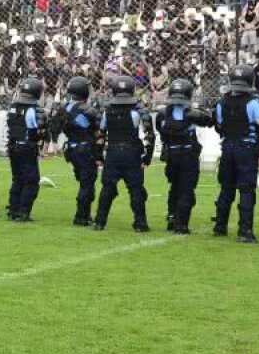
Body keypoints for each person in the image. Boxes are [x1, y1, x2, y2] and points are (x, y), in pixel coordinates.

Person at [213, 64, 259, 243]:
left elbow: (218, 126)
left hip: (228, 147)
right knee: (246, 189)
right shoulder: (254, 102)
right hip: (246, 148)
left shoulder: (222, 102)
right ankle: (245, 230)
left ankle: (220, 226)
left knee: (226, 188)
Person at [94, 75, 155, 232]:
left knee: (107, 187)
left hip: (113, 152)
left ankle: (99, 222)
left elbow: (100, 134)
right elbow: (149, 134)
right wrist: (147, 157)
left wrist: (99, 156)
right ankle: (140, 223)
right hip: (132, 152)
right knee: (135, 189)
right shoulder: (137, 109)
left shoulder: (107, 110)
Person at [155, 78, 214, 235]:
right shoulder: (193, 114)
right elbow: (210, 121)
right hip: (187, 155)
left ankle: (172, 216)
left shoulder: (162, 114)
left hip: (171, 154)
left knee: (174, 187)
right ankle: (181, 224)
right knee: (186, 189)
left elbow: (161, 131)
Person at [52, 76, 101, 226]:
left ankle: (85, 214)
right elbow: (99, 131)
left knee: (84, 182)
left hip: (72, 149)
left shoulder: (64, 108)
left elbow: (54, 127)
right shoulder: (89, 110)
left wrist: (54, 143)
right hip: (86, 149)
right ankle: (81, 216)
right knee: (87, 183)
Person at [6, 77, 46, 222]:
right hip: (27, 147)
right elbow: (36, 131)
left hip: (13, 146)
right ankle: (23, 212)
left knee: (17, 179)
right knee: (31, 180)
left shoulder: (12, 107)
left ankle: (12, 210)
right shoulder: (32, 109)